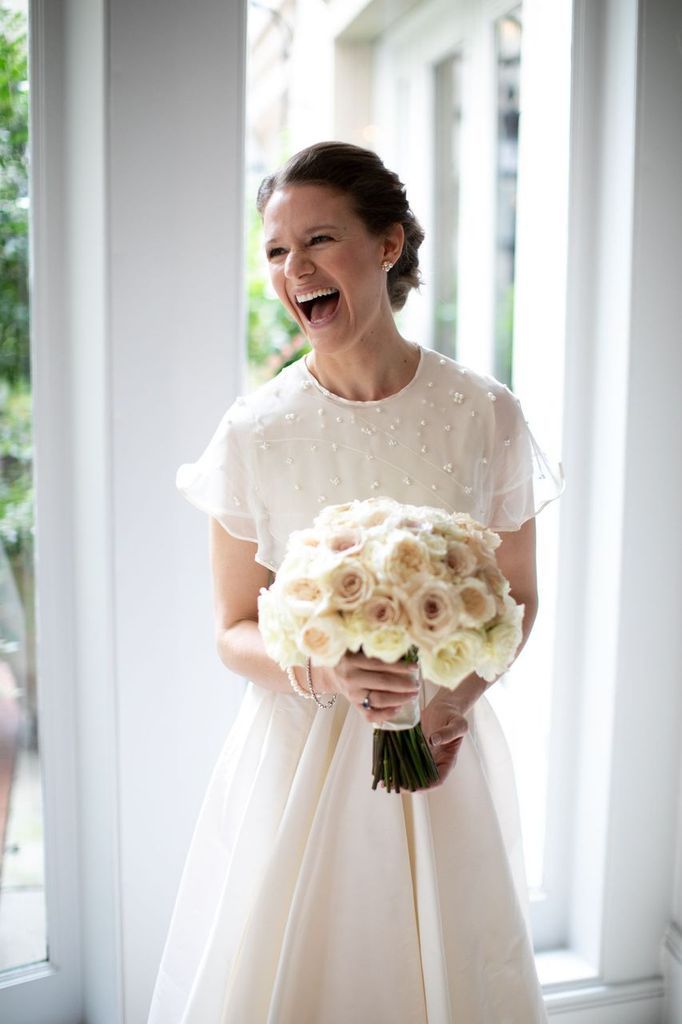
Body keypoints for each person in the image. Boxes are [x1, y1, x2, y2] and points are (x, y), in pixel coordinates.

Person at [148, 141, 562, 1023]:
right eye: (275, 251)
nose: (294, 270)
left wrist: (452, 701)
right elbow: (230, 627)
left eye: (320, 241)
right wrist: (326, 673)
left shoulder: (485, 413)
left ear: (388, 244)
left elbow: (517, 597)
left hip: (441, 749)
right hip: (293, 764)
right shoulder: (255, 431)